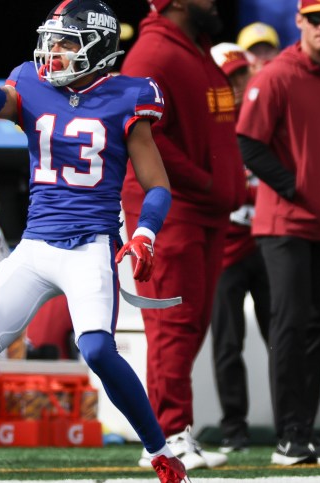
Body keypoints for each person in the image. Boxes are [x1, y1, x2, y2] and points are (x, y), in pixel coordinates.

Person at [0, 1, 191, 482]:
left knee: (96, 351)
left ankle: (160, 452)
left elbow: (156, 185)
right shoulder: (30, 84)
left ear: (98, 47)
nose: (52, 52)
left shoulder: (128, 96)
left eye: (66, 42)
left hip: (90, 245)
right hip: (35, 247)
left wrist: (144, 234)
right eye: (51, 40)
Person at [119, 0, 244, 470]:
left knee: (190, 324)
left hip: (205, 208)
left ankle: (173, 432)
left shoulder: (193, 50)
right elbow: (142, 132)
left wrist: (221, 186)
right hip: (171, 207)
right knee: (172, 323)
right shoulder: (154, 53)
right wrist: (206, 181)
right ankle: (167, 437)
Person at [236, 0, 320, 466]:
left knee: (317, 328)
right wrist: (294, 188)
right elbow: (248, 142)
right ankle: (288, 436)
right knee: (288, 325)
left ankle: (303, 433)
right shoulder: (275, 76)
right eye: (315, 19)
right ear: (301, 22)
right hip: (285, 224)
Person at [206, 41, 270, 454]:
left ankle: (293, 426)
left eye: (244, 73)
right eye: (231, 76)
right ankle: (234, 428)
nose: (240, 83)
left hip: (267, 246)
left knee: (281, 338)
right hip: (225, 252)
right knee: (227, 344)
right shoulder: (206, 128)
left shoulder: (267, 121)